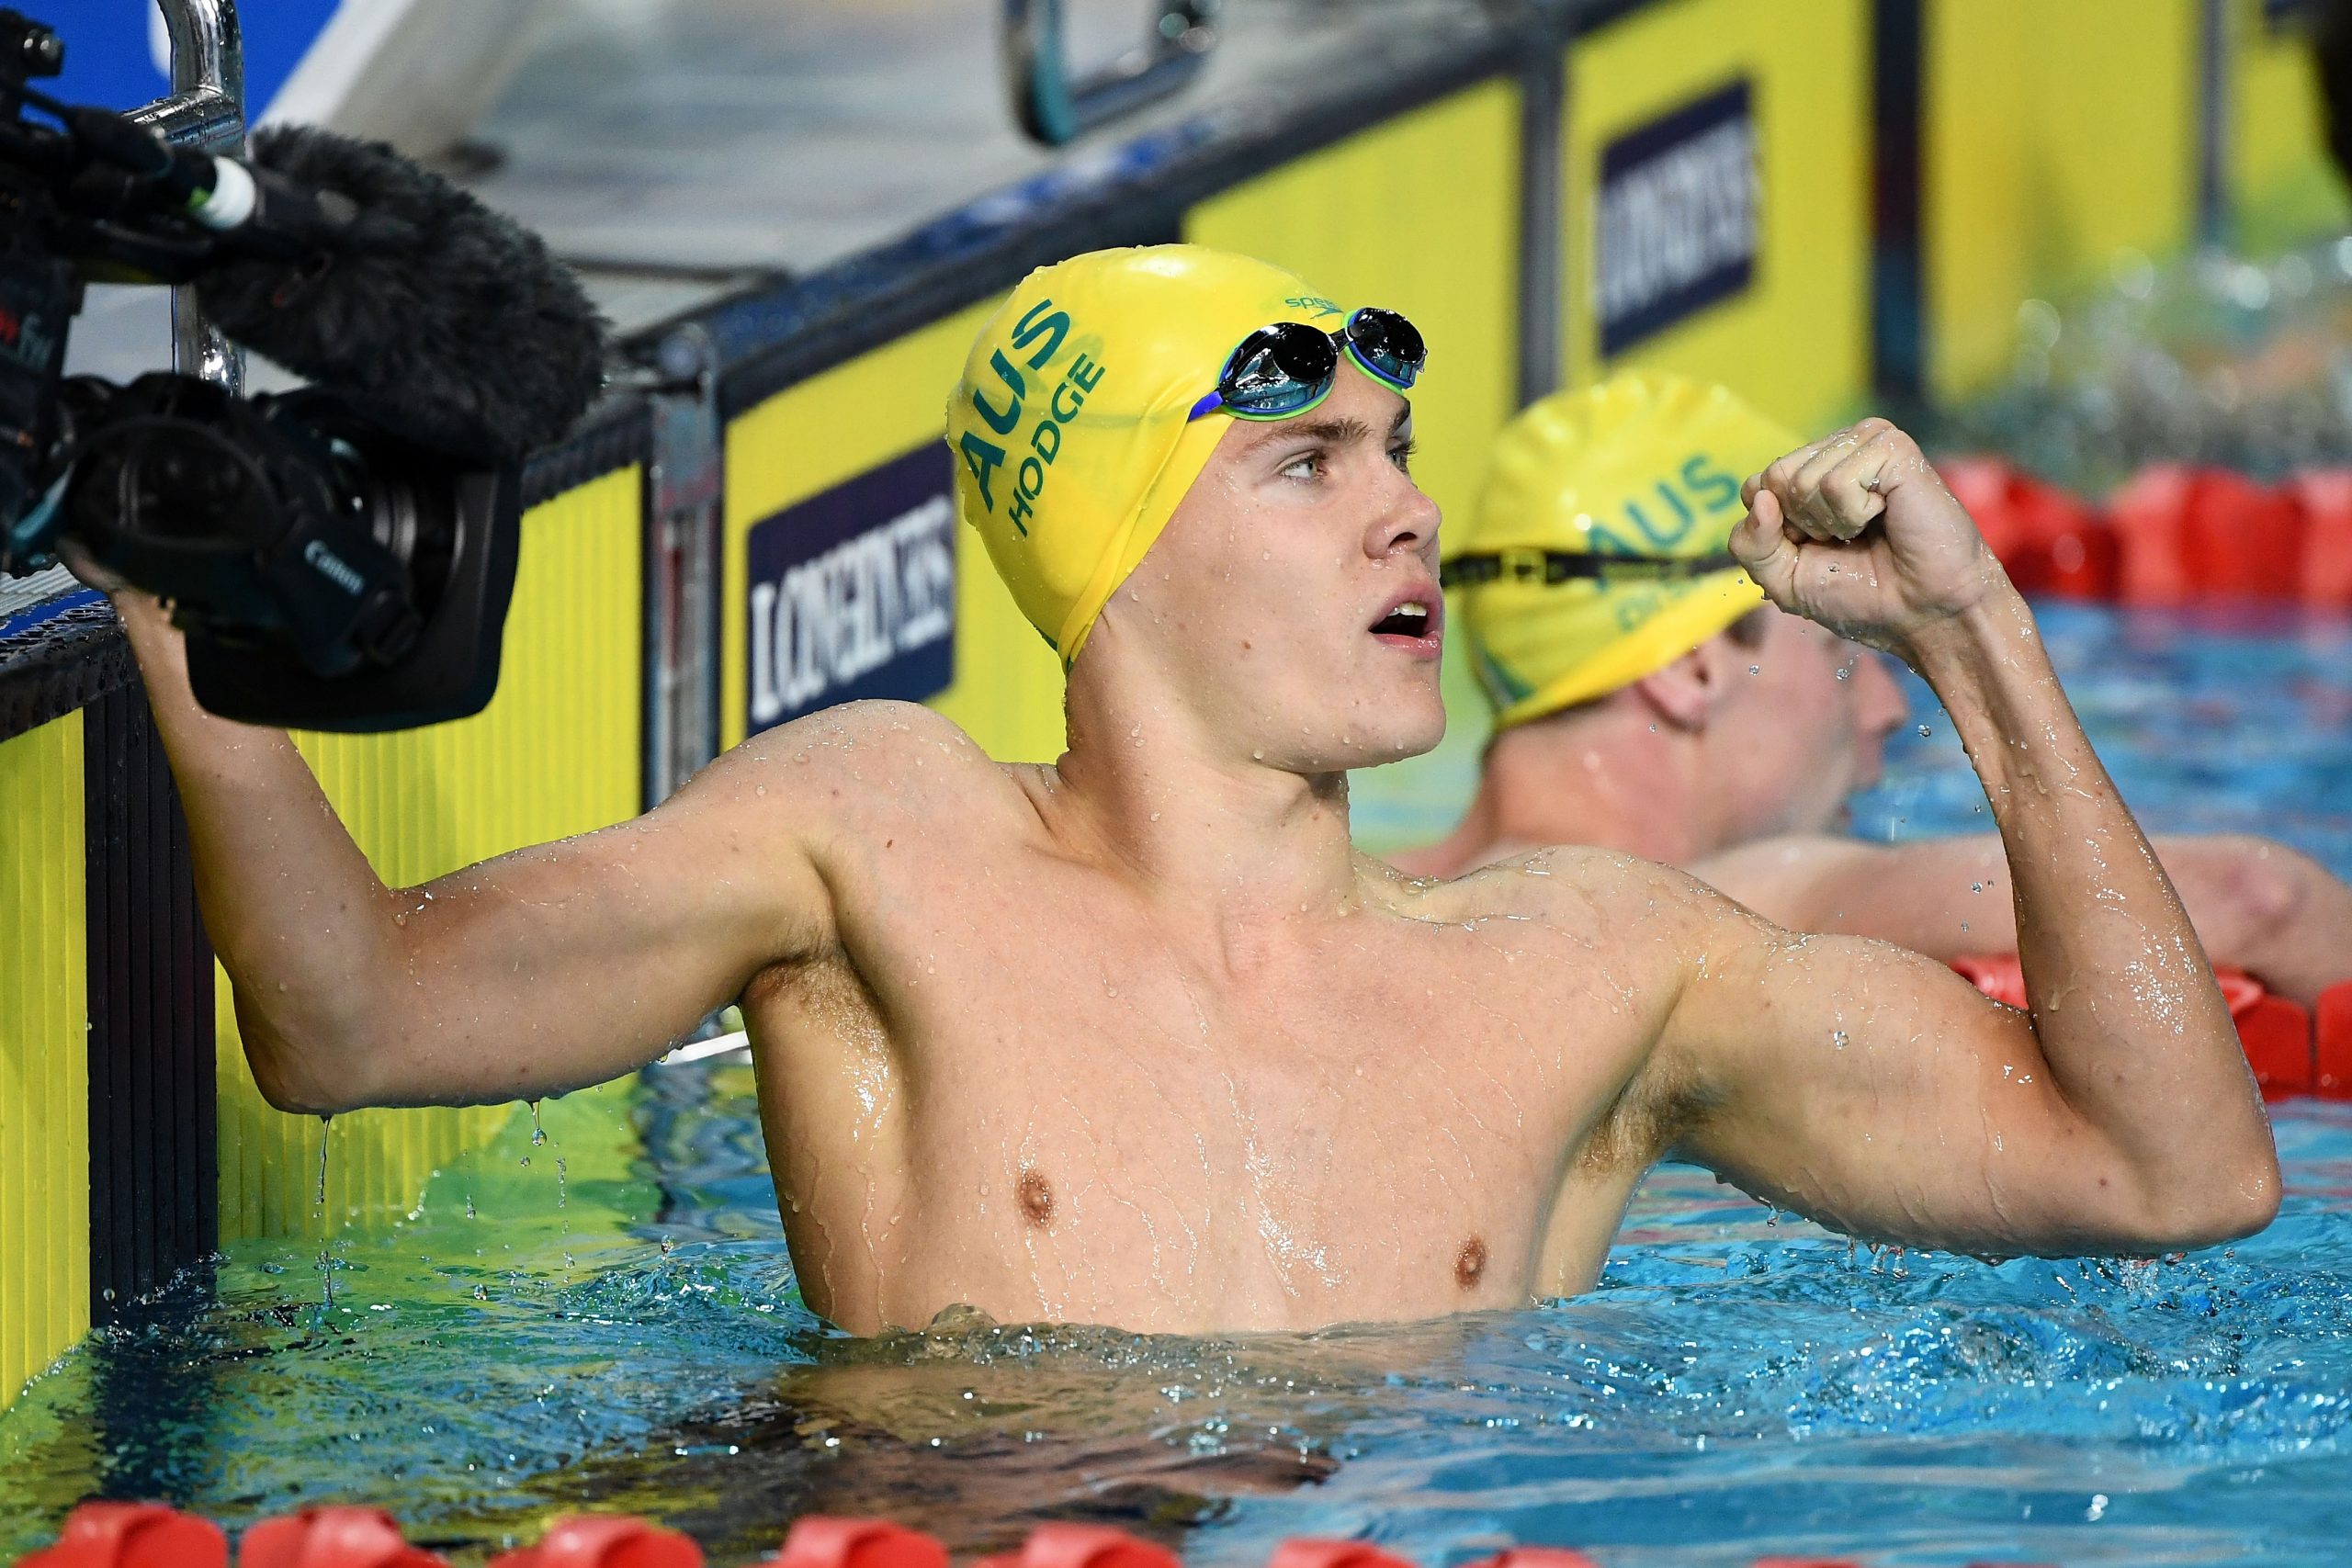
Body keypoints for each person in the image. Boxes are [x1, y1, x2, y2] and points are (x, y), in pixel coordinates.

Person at [91, 246, 2277, 1340]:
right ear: (1111, 551)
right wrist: (199, 630)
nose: (1403, 518)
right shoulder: (878, 841)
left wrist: (1976, 641)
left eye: (1401, 463)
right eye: (1310, 466)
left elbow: (2171, 1171)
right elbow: (350, 1020)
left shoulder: (1597, 965)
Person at [1398, 373, 2352, 1007]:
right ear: (1692, 669)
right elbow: (2255, 896)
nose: (1889, 713)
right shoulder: (1722, 905)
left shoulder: (1363, 889)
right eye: (1844, 651)